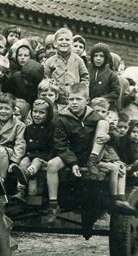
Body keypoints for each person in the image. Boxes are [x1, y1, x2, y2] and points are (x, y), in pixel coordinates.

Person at [45, 83, 113, 224]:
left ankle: (92, 161)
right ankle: (53, 205)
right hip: (71, 154)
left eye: (78, 99)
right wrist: (73, 162)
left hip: (91, 154)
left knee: (104, 124)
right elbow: (60, 143)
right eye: (71, 99)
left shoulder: (94, 116)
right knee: (52, 164)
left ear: (86, 101)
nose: (74, 103)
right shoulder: (63, 118)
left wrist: (108, 137)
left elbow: (113, 134)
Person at [91, 97, 135, 215]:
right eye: (97, 111)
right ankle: (114, 198)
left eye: (103, 112)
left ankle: (120, 197)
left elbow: (114, 138)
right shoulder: (88, 123)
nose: (100, 114)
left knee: (121, 167)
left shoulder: (107, 125)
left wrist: (109, 136)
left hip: (103, 157)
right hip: (92, 158)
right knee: (114, 168)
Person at [9, 98, 55, 200]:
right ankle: (20, 190)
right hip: (30, 154)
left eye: (41, 113)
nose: (37, 115)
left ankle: (27, 173)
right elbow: (24, 143)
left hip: (43, 157)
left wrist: (50, 159)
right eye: (35, 111)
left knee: (36, 161)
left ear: (48, 114)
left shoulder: (51, 128)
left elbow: (53, 146)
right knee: (24, 161)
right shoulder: (29, 128)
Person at [0, 93, 26, 181]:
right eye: (0, 108)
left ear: (13, 110)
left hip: (9, 153)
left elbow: (20, 144)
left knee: (2, 150)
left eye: (7, 108)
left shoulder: (19, 125)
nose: (3, 111)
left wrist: (15, 161)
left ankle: (2, 179)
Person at [44, 28, 89, 101]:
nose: (64, 42)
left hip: (74, 99)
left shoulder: (78, 60)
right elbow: (45, 79)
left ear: (71, 43)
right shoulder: (49, 62)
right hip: (56, 99)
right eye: (61, 40)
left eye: (67, 40)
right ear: (55, 44)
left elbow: (85, 77)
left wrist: (81, 92)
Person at [4, 38, 44, 106]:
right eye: (20, 55)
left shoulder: (36, 70)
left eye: (26, 55)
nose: (22, 58)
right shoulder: (12, 71)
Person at [88, 43, 120, 110]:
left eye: (101, 56)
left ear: (106, 58)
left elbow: (115, 92)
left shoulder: (111, 74)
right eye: (95, 56)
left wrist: (102, 99)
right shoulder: (87, 70)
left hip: (103, 108)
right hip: (87, 106)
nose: (98, 58)